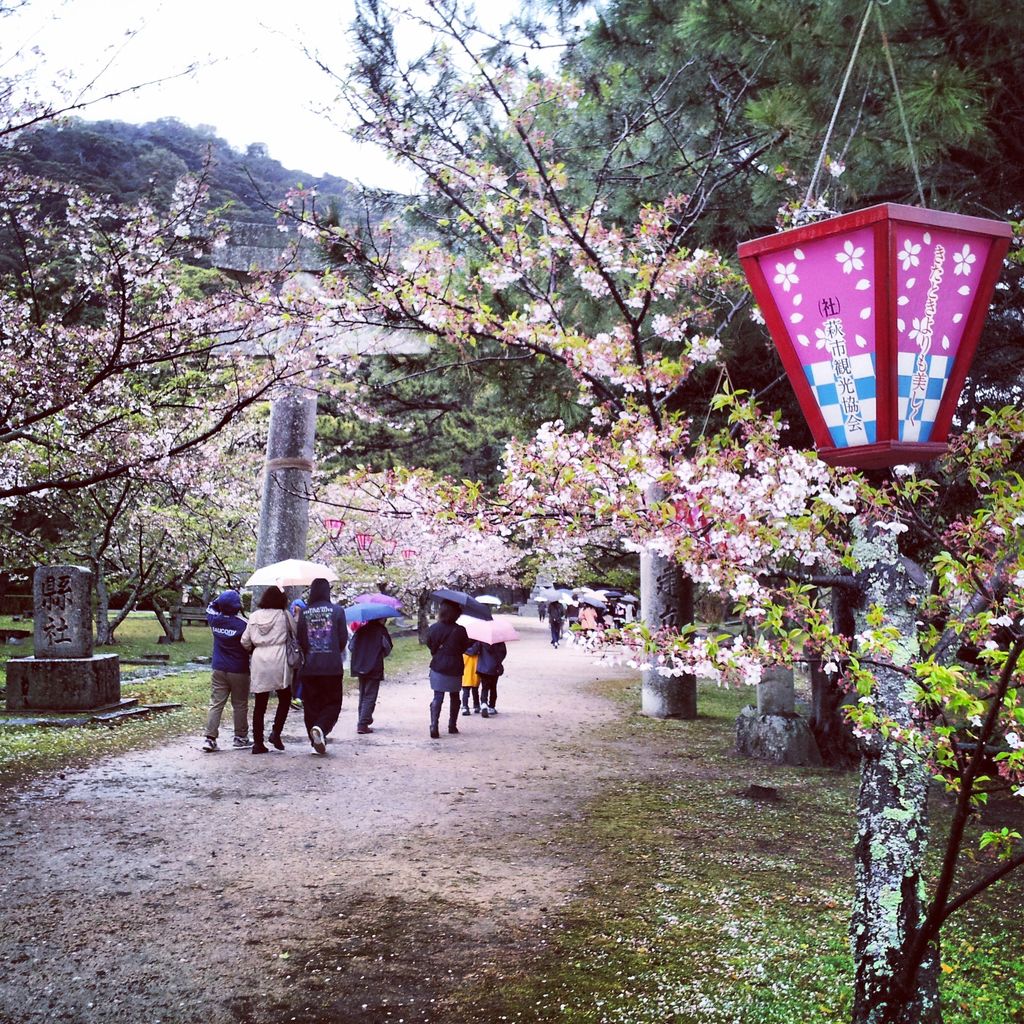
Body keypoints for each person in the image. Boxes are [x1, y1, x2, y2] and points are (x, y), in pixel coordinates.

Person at [296, 577, 347, 755]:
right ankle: (321, 728)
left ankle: (315, 741)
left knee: (311, 704)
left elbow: (300, 639)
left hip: (310, 667)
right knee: (333, 702)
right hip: (332, 666)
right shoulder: (338, 611)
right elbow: (343, 639)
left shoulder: (304, 612)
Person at [240, 586, 294, 754]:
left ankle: (258, 743)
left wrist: (253, 650)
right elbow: (296, 633)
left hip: (259, 659)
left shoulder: (254, 616)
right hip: (279, 657)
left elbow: (245, 640)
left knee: (260, 704)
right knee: (285, 697)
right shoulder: (284, 615)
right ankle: (276, 732)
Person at [202, 590, 251, 752]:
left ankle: (210, 738)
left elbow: (211, 606)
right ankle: (240, 737)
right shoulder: (243, 624)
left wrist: (220, 602)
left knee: (216, 703)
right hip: (239, 669)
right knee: (240, 704)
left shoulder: (214, 620)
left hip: (218, 667)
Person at [426, 599, 470, 739]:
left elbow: (429, 644)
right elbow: (464, 647)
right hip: (455, 665)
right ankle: (452, 725)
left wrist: (437, 651)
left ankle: (434, 725)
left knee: (438, 696)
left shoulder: (434, 628)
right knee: (455, 696)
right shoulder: (460, 630)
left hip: (438, 664)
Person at [348, 616, 394, 734]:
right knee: (370, 695)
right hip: (374, 666)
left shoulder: (361, 630)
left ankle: (363, 718)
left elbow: (351, 647)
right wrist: (379, 654)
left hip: (359, 665)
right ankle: (363, 724)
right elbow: (388, 648)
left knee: (363, 694)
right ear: (381, 619)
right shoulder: (381, 631)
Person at [476, 640, 507, 718]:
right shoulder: (499, 641)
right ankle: (492, 706)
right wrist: (498, 661)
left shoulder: (482, 640)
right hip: (495, 668)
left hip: (483, 668)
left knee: (484, 687)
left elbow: (474, 651)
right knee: (493, 687)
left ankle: (484, 704)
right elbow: (504, 653)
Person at [288, 597, 307, 710]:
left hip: (291, 653)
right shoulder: (305, 620)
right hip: (301, 653)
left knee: (294, 676)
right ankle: (299, 697)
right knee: (300, 676)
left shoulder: (289, 620)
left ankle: (295, 697)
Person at [461, 642, 481, 715]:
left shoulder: (463, 653)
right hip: (475, 675)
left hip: (465, 675)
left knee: (465, 692)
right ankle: (477, 706)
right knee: (475, 691)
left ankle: (465, 707)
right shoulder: (478, 653)